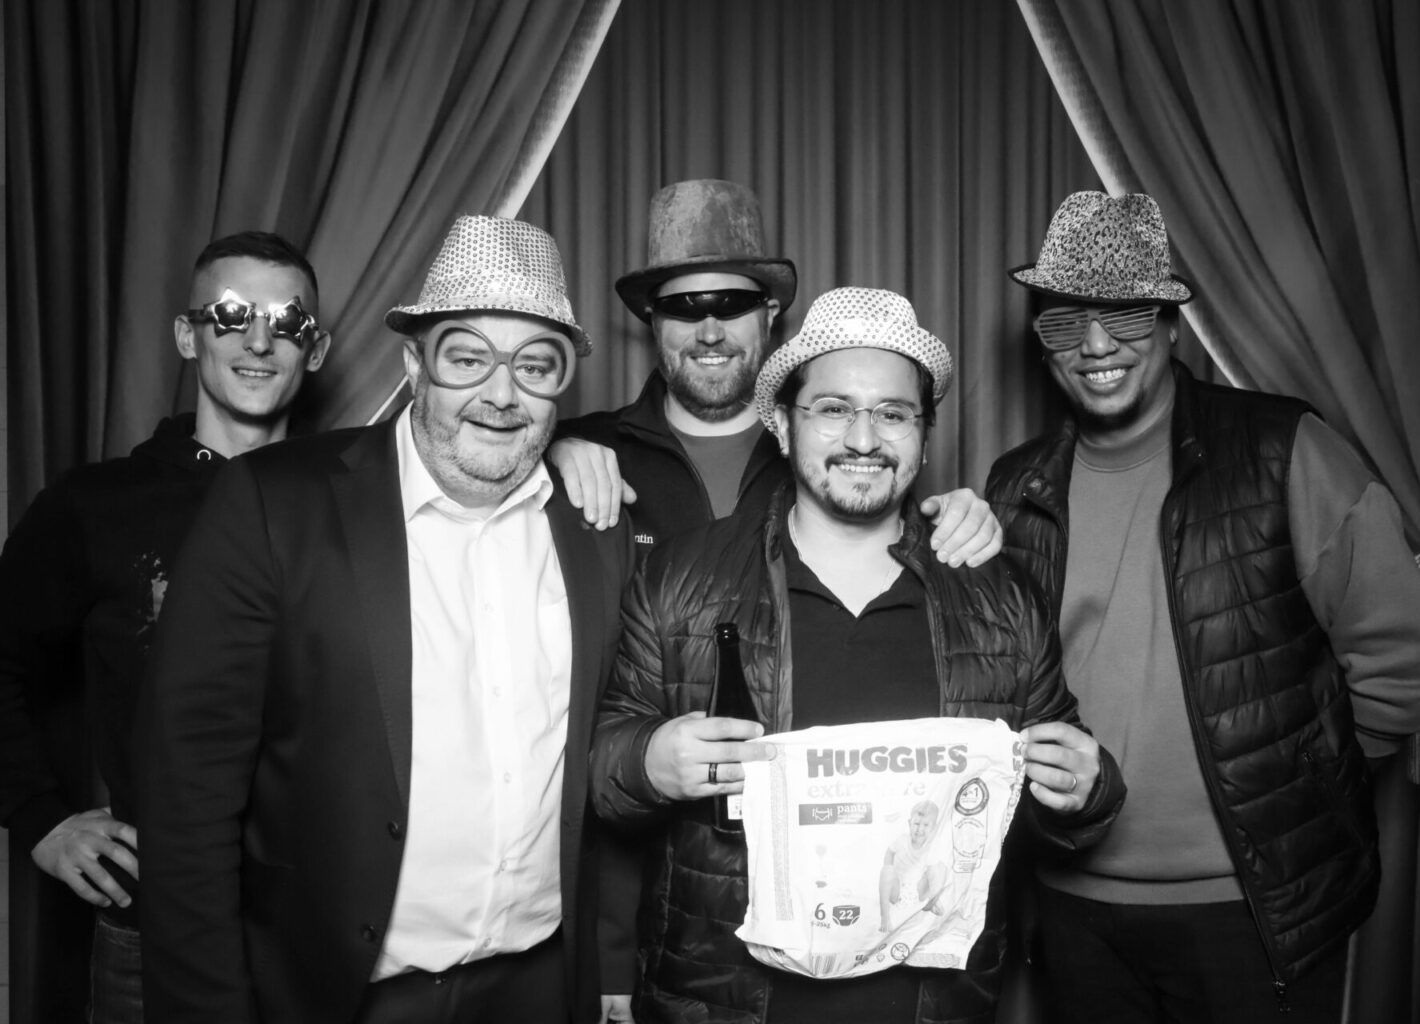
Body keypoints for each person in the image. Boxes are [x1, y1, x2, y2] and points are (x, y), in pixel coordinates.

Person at [133, 216, 633, 1024]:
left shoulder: (594, 524)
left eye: (535, 366)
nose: (502, 394)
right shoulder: (273, 503)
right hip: (338, 994)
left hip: (541, 988)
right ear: (414, 365)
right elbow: (187, 796)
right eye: (467, 359)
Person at [986, 191, 1420, 1022]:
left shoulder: (1286, 451)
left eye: (1126, 315)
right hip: (1071, 908)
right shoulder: (1014, 485)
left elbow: (1409, 669)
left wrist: (1304, 786)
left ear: (1173, 325)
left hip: (1255, 911)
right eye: (1065, 321)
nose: (1095, 345)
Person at [590, 286, 1125, 1024]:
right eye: (834, 409)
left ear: (924, 438)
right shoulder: (681, 580)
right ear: (784, 426)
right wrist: (647, 761)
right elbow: (603, 765)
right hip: (728, 1001)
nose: (864, 440)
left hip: (934, 1004)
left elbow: (1044, 789)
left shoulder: (1000, 597)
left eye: (893, 414)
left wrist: (1087, 791)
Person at [0, 231, 331, 1022]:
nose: (259, 340)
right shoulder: (94, 506)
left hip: (324, 931)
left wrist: (570, 453)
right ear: (188, 335)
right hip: (152, 933)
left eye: (287, 321)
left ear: (314, 350)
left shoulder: (352, 499)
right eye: (231, 315)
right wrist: (40, 818)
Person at [549, 178, 999, 565]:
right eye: (683, 308)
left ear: (768, 316)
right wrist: (548, 457)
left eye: (733, 305)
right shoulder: (586, 450)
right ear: (654, 321)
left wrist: (960, 523)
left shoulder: (829, 446)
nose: (710, 333)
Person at [879, 800, 947, 932]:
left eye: (926, 825)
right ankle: (885, 917)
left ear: (934, 828)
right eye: (916, 824)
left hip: (918, 891)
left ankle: (932, 901)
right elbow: (890, 852)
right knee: (886, 871)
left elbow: (933, 876)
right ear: (909, 823)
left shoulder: (931, 847)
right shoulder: (902, 840)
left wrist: (933, 892)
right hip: (897, 891)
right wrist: (889, 871)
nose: (920, 829)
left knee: (940, 867)